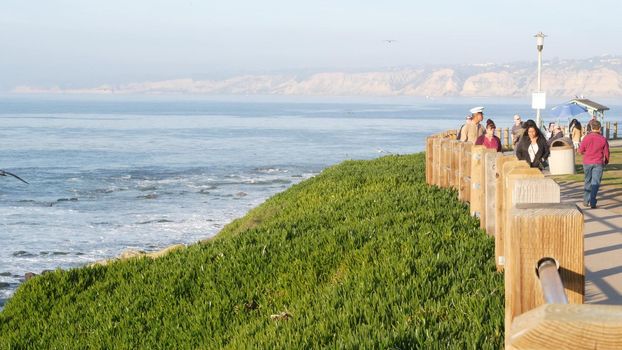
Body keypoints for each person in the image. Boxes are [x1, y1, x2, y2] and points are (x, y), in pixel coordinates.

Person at [578, 120, 610, 208]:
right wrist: (606, 161)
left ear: (591, 128)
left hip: (587, 162)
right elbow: (606, 152)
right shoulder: (603, 139)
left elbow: (580, 151)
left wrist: (584, 150)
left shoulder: (586, 138)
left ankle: (585, 200)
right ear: (600, 128)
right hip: (598, 162)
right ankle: (592, 201)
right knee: (595, 182)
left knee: (587, 181)